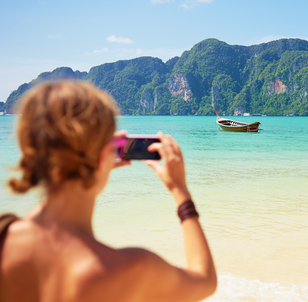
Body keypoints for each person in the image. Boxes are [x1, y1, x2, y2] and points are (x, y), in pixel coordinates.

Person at [0, 81, 217, 301]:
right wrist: (180, 191)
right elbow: (205, 280)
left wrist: (89, 164)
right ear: (105, 155)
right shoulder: (131, 269)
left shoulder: (4, 240)